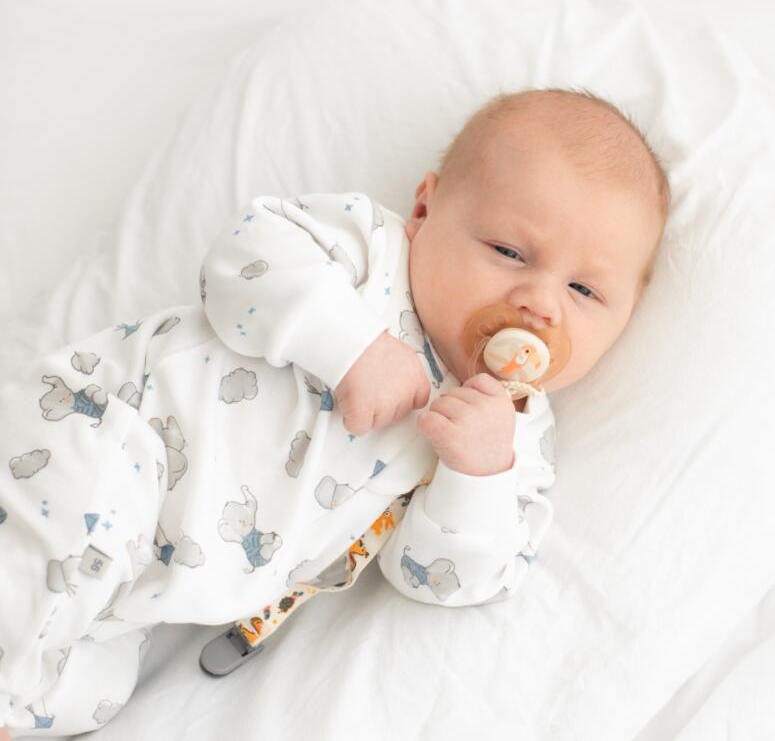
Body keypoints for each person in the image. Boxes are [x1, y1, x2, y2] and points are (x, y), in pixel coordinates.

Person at [0, 87, 670, 738]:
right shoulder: (369, 254)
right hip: (103, 439)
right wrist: (353, 349)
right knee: (37, 590)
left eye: (584, 290)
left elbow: (438, 578)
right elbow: (243, 260)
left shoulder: (513, 437)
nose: (539, 302)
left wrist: (476, 477)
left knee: (85, 697)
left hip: (145, 594)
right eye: (509, 252)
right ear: (425, 209)